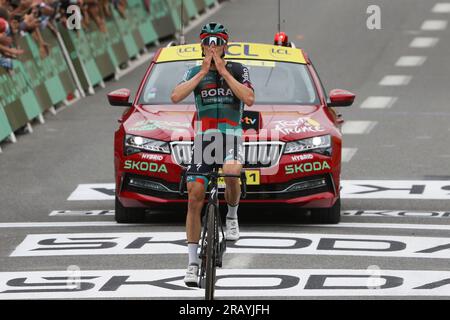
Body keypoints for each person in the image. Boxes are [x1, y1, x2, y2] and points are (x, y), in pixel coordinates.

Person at [171, 22, 255, 287]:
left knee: (231, 172)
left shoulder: (238, 69)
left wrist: (222, 71)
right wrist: (204, 71)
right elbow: (176, 96)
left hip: (231, 136)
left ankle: (231, 216)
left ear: (225, 46)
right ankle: (192, 264)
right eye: (208, 42)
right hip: (205, 139)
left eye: (217, 42)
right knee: (195, 194)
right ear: (201, 45)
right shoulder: (194, 70)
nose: (213, 47)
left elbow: (249, 98)